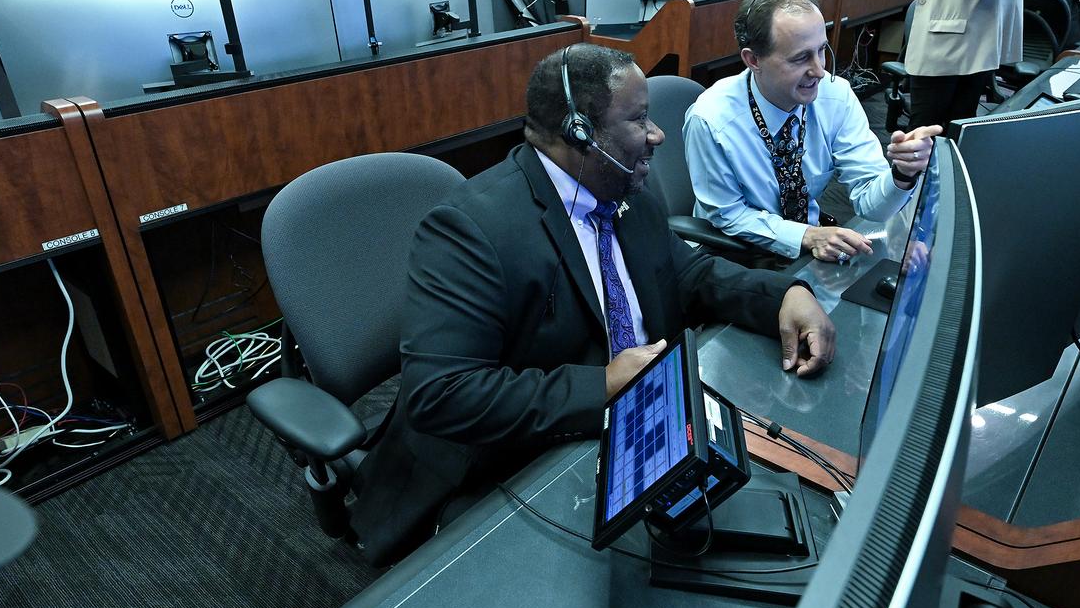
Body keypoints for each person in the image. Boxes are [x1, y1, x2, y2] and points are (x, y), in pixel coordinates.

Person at [348, 43, 835, 564]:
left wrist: (785, 294)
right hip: (509, 464)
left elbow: (689, 275)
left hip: (627, 436)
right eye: (639, 118)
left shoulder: (626, 191)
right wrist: (602, 385)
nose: (657, 134)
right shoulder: (470, 231)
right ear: (580, 132)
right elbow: (441, 394)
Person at [686, 0, 942, 262]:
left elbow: (871, 203)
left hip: (807, 245)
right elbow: (729, 216)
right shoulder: (711, 119)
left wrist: (902, 175)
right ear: (753, 60)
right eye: (800, 58)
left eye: (821, 50)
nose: (820, 71)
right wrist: (807, 235)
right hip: (732, 251)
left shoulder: (836, 97)